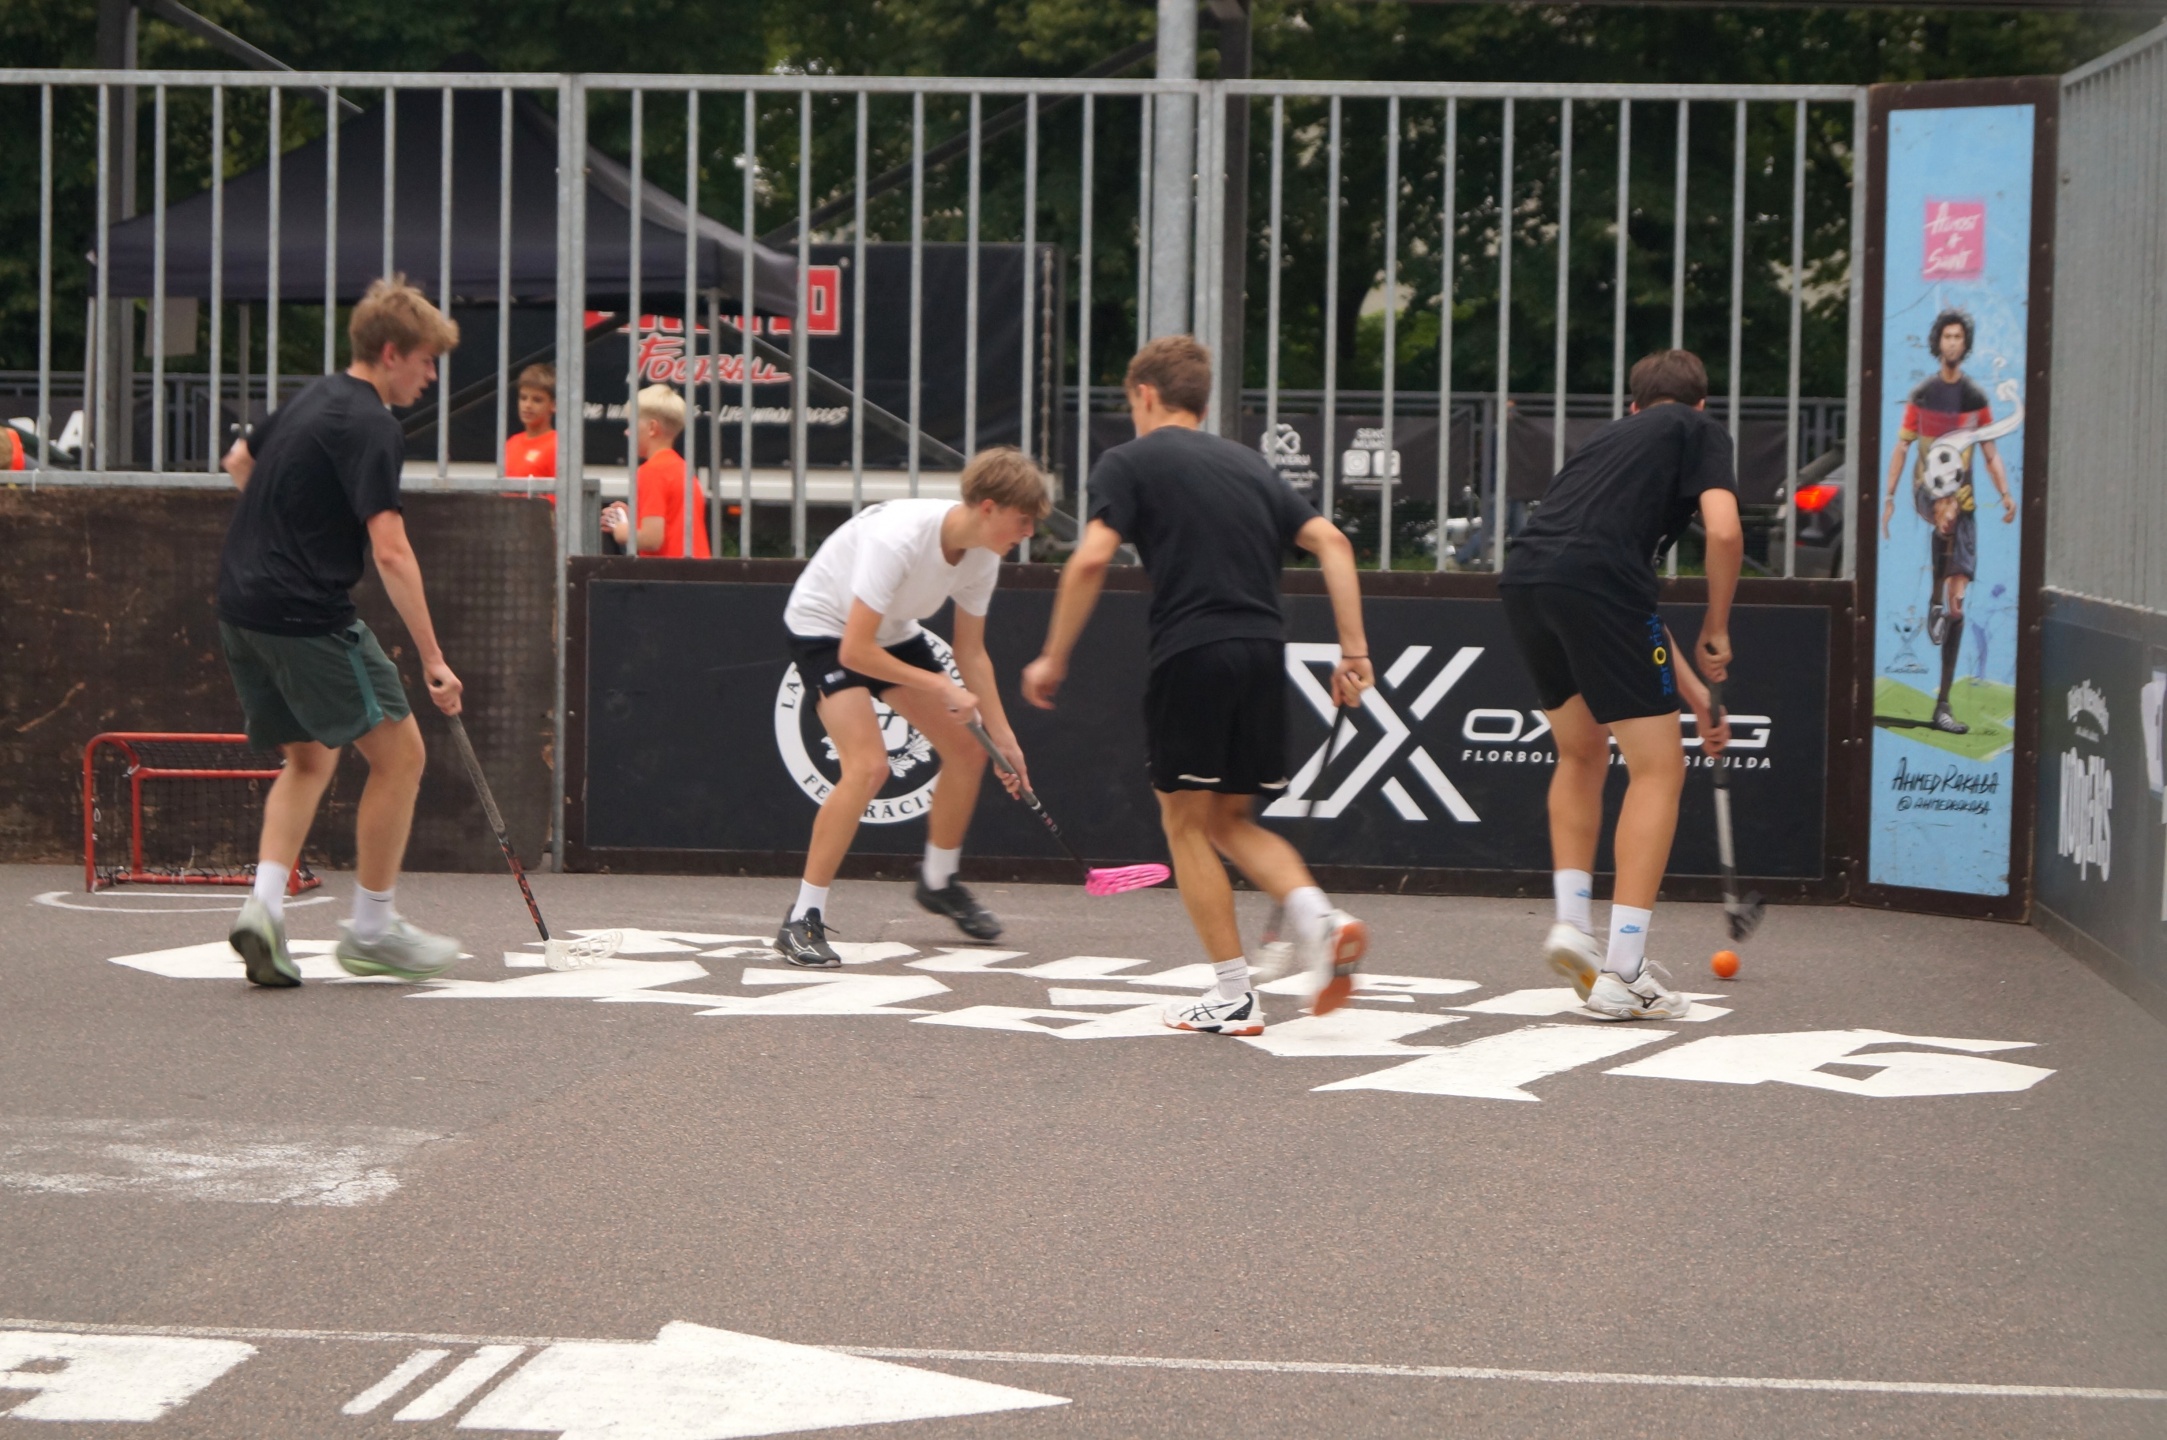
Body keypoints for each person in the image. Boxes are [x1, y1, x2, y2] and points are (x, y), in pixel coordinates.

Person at [1021, 335, 1372, 1036]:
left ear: (1145, 394)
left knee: (1183, 823)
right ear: (1202, 404)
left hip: (1193, 653)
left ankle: (1233, 994)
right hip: (1262, 652)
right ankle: (1321, 921)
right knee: (1228, 821)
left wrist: (1052, 656)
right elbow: (1333, 542)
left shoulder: (1128, 461)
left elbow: (1090, 559)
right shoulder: (1249, 465)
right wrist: (1353, 652)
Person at [217, 274, 465, 989]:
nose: (430, 376)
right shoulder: (374, 426)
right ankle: (372, 930)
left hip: (240, 605)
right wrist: (433, 658)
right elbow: (390, 551)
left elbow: (240, 463)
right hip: (306, 616)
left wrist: (288, 528)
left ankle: (264, 910)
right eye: (426, 361)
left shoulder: (315, 395)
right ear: (391, 353)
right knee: (402, 756)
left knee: (309, 759)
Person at [1497, 348, 1740, 1022]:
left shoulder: (1606, 441)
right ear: (1699, 404)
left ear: (1633, 406)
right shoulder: (1697, 429)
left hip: (1527, 580)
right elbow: (1723, 532)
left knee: (1580, 752)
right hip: (1597, 588)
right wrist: (1716, 624)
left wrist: (1695, 697)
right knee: (1658, 771)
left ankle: (1573, 925)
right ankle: (1623, 972)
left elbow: (1622, 602)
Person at [772, 448, 1050, 966]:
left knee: (969, 751)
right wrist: (940, 686)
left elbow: (971, 653)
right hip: (825, 630)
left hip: (893, 633)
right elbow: (855, 651)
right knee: (869, 767)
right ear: (988, 507)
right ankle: (802, 919)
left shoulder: (984, 555)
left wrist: (1005, 738)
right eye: (1023, 519)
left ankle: (938, 881)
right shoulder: (898, 538)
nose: (1030, 532)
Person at [1879, 309, 2016, 735]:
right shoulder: (1922, 395)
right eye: (1947, 336)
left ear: (1965, 344)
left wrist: (2006, 494)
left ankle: (1943, 703)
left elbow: (1990, 453)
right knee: (1947, 502)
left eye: (1959, 337)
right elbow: (1902, 449)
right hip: (1928, 492)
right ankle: (1933, 598)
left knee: (1959, 606)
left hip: (1965, 504)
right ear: (1938, 343)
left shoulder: (1974, 397)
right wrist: (1889, 497)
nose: (1953, 343)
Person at [601, 385, 710, 557]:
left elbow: (652, 539)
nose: (627, 432)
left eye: (632, 424)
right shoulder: (681, 467)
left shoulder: (652, 471)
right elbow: (672, 524)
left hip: (667, 571)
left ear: (652, 428)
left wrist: (621, 530)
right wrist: (635, 518)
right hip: (695, 569)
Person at [502, 362, 556, 500]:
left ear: (554, 405)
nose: (527, 405)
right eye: (523, 398)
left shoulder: (558, 446)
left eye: (537, 400)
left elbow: (564, 500)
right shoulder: (511, 443)